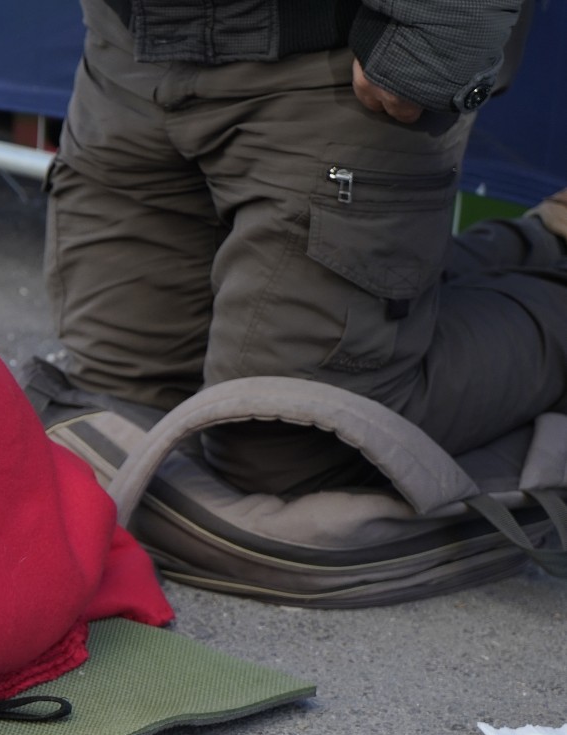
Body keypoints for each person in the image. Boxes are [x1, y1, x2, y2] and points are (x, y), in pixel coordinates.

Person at [44, 0, 567, 495]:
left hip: (337, 52)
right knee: (114, 417)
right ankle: (546, 240)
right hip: (133, 44)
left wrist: (441, 27)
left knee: (286, 445)